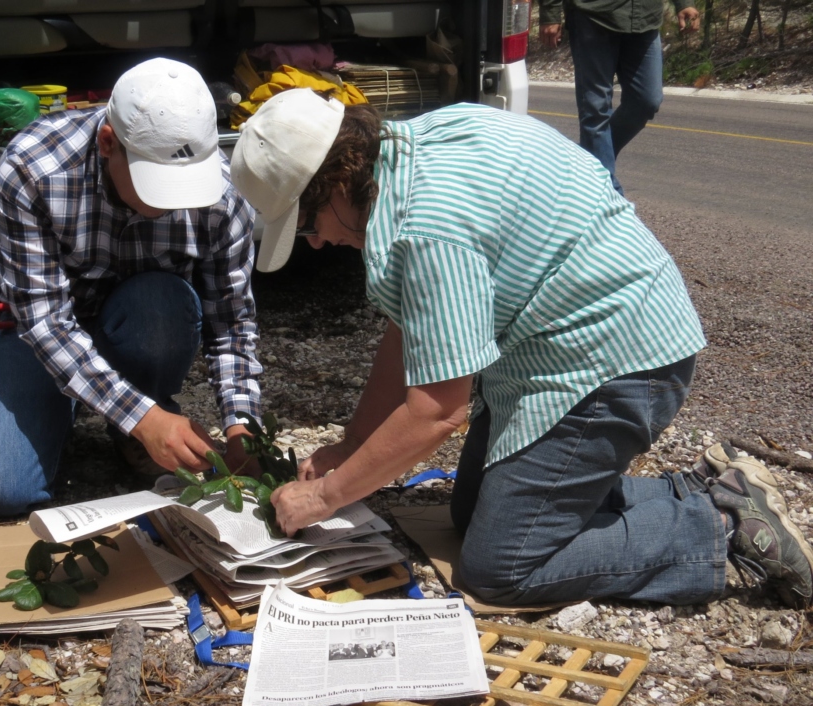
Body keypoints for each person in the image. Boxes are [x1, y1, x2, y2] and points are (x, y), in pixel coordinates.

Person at [229, 87, 813, 609]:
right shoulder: (420, 144)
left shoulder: (426, 230)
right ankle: (705, 492)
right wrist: (354, 445)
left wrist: (327, 496)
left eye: (307, 223)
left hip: (614, 364)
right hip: (566, 351)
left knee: (499, 569)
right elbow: (411, 327)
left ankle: (716, 526)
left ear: (331, 183)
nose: (318, 241)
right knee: (468, 516)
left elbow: (437, 410)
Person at [0, 58, 263, 517]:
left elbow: (231, 323)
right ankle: (128, 416)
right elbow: (43, 321)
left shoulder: (224, 195)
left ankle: (132, 425)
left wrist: (242, 425)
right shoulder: (32, 167)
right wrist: (144, 416)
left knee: (161, 304)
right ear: (108, 143)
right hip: (48, 329)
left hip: (143, 316)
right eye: (158, 187)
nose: (175, 203)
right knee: (2, 491)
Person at [539, 0, 700, 194]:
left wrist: (683, 4)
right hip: (592, 16)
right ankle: (609, 195)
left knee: (646, 101)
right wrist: (550, 13)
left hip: (644, 17)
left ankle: (586, 164)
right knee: (596, 109)